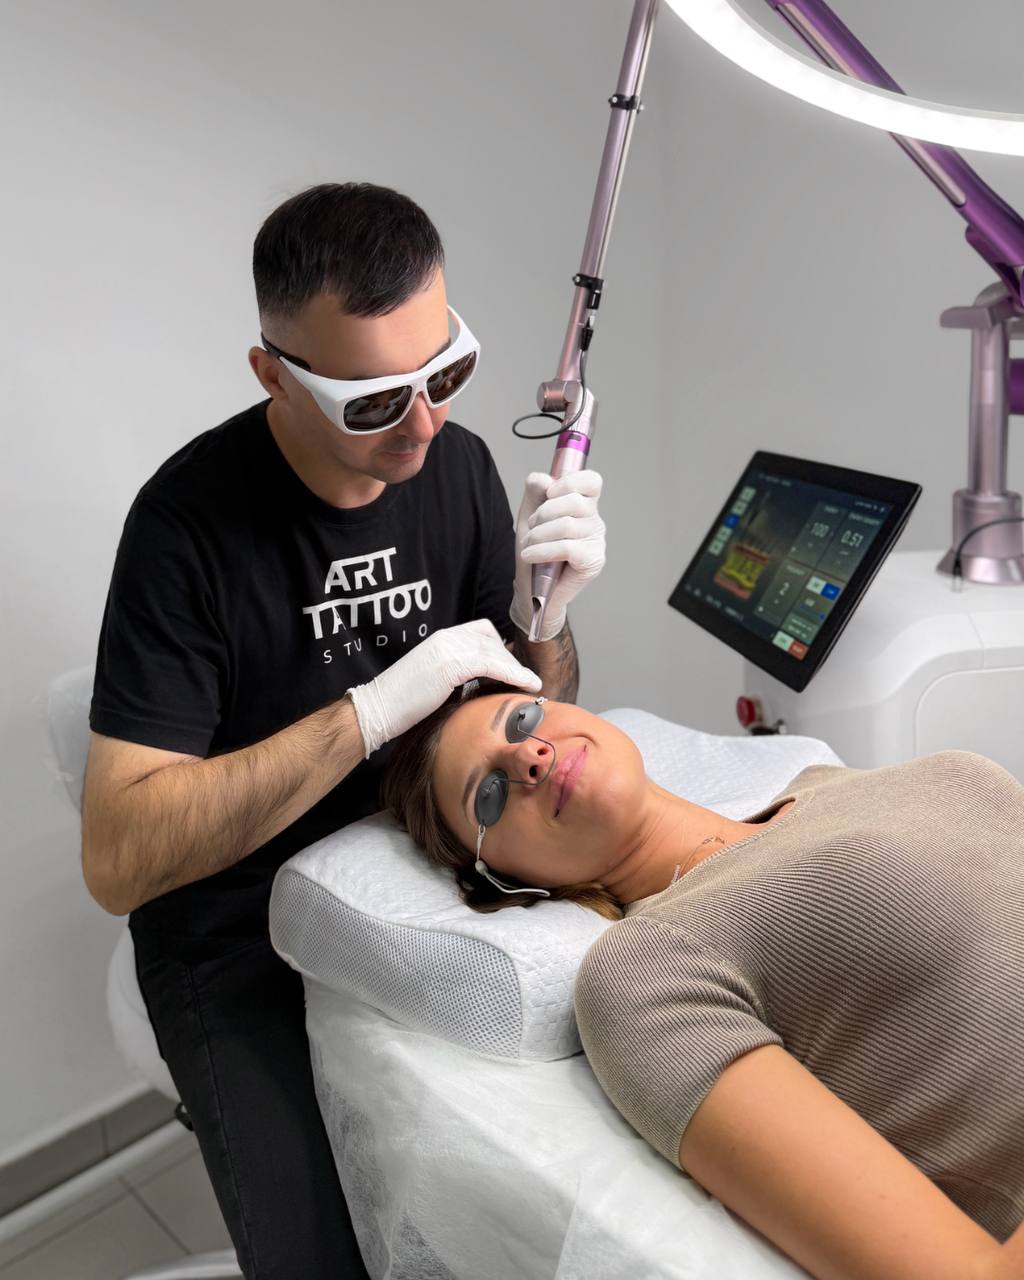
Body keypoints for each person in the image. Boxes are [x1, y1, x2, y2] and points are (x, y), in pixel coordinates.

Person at [79, 182, 607, 1280]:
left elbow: (531, 706)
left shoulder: (458, 467)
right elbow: (119, 858)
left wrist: (549, 625)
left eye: (445, 373)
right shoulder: (185, 528)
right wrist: (370, 711)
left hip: (422, 865)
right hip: (238, 925)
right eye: (373, 403)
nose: (423, 424)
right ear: (274, 372)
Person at [382, 681, 1024, 1280]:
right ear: (503, 880)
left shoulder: (824, 784)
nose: (529, 756)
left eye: (522, 719)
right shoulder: (643, 972)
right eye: (489, 796)